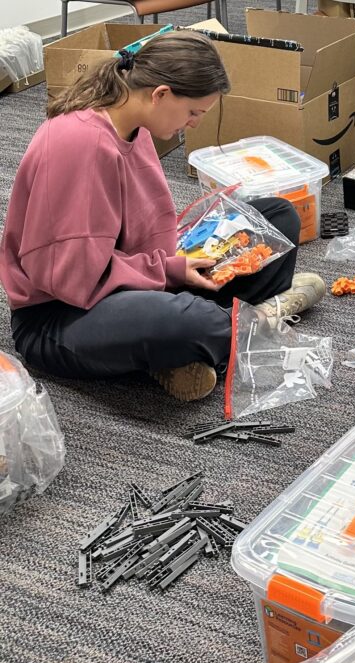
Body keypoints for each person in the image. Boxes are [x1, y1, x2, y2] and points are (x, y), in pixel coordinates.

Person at [0, 31, 326, 402]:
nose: (194, 124)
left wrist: (177, 264)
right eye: (193, 112)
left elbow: (147, 233)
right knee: (189, 321)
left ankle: (200, 341)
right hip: (60, 314)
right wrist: (167, 271)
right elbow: (73, 279)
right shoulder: (80, 143)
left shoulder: (133, 125)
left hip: (133, 280)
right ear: (161, 94)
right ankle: (240, 323)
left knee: (277, 219)